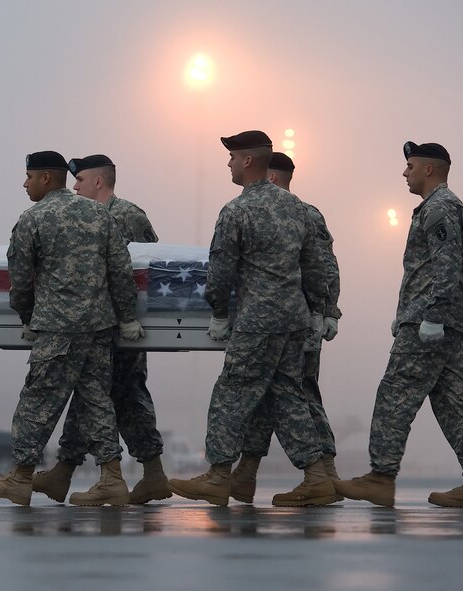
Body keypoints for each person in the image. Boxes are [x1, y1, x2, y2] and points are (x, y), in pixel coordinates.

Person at [167, 130, 336, 507]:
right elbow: (316, 269)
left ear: (247, 161)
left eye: (231, 157)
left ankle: (217, 475)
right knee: (287, 394)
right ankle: (316, 476)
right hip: (294, 320)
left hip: (257, 320)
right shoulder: (298, 209)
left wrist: (220, 314)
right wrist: (319, 311)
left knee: (231, 392)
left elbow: (221, 272)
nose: (227, 163)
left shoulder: (236, 210)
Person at [0, 150, 145, 506]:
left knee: (37, 402)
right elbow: (120, 272)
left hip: (57, 327)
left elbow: (19, 280)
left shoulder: (34, 219)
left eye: (29, 177)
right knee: (96, 401)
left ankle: (19, 479)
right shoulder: (99, 214)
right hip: (99, 326)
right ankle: (112, 478)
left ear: (46, 178)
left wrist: (27, 317)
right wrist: (126, 317)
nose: (25, 183)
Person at [334, 141, 463, 508]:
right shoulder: (443, 207)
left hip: (432, 322)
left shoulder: (440, 207)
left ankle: (380, 477)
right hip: (444, 322)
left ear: (429, 169)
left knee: (395, 393)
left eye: (410, 166)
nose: (404, 172)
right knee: (454, 401)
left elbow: (446, 265)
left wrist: (431, 316)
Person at [31, 154, 171, 505]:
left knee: (124, 396)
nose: (74, 186)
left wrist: (129, 320)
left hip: (121, 326)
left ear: (98, 182)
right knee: (95, 397)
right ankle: (67, 472)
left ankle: (144, 473)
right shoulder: (82, 217)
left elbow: (145, 270)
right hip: (96, 324)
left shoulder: (128, 216)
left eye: (80, 181)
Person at [230, 152, 344, 503]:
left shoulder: (301, 213)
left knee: (299, 393)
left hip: (299, 321)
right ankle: (246, 474)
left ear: (273, 179)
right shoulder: (299, 212)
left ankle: (324, 476)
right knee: (272, 392)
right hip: (289, 320)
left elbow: (325, 269)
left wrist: (325, 313)